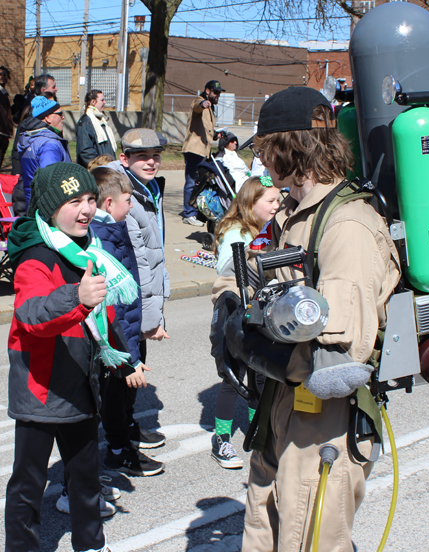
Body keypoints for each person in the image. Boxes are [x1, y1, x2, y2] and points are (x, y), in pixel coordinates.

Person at [211, 87, 401, 551]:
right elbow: (262, 281)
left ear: (284, 147)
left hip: (324, 420)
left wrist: (249, 347)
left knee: (306, 538)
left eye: (264, 150)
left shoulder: (346, 224)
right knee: (265, 526)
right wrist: (228, 304)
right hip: (284, 407)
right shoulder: (297, 215)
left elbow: (338, 360)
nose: (262, 161)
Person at [5, 162, 136, 552]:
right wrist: (75, 298)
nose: (86, 209)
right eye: (74, 201)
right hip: (41, 391)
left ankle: (91, 544)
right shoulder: (37, 256)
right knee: (28, 484)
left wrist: (126, 358)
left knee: (85, 478)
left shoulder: (89, 250)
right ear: (49, 209)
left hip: (82, 384)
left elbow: (104, 315)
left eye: (91, 199)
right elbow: (30, 315)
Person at [90, 166, 166, 475]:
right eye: (127, 200)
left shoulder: (113, 230)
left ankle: (123, 441)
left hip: (126, 334)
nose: (132, 205)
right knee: (113, 394)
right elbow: (112, 310)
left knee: (120, 395)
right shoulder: (104, 240)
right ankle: (118, 452)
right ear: (109, 204)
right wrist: (129, 357)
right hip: (116, 343)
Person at [102, 128, 170, 453]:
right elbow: (137, 262)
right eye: (142, 156)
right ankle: (119, 445)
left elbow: (157, 254)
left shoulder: (147, 188)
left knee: (133, 372)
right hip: (130, 306)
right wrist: (152, 317)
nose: (151, 161)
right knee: (123, 376)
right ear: (125, 157)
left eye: (156, 155)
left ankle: (127, 428)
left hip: (142, 304)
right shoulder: (124, 194)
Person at [211, 176, 279, 468]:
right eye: (271, 201)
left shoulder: (265, 228)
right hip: (236, 312)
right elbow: (227, 275)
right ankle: (222, 440)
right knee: (234, 377)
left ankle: (258, 432)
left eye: (279, 200)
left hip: (262, 310)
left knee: (261, 374)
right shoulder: (237, 233)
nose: (277, 206)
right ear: (252, 204)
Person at [181, 79, 226, 226]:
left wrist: (216, 135)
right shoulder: (200, 101)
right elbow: (196, 106)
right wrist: (203, 104)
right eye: (215, 93)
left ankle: (198, 210)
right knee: (191, 181)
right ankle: (188, 214)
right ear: (207, 91)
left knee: (204, 180)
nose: (217, 96)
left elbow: (206, 130)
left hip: (203, 152)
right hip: (194, 150)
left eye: (219, 94)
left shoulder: (211, 108)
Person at [17, 95, 71, 208]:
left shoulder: (31, 139)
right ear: (47, 118)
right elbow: (51, 180)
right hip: (50, 208)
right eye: (59, 114)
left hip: (33, 204)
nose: (63, 117)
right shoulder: (49, 144)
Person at [76, 90, 117, 168]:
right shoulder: (86, 122)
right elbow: (85, 151)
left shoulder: (101, 120)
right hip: (97, 171)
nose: (104, 102)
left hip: (107, 167)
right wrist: (99, 167)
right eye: (102, 100)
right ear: (93, 102)